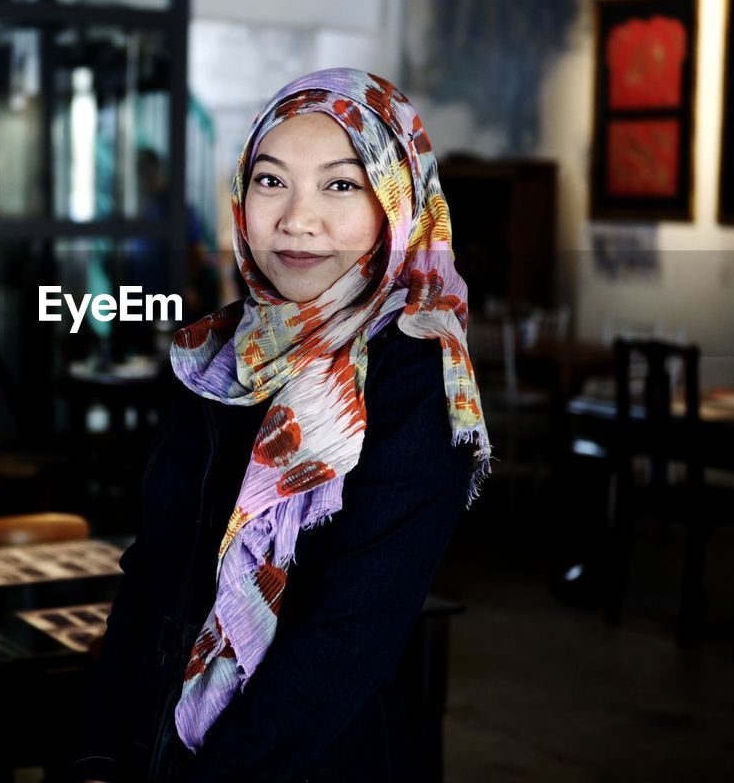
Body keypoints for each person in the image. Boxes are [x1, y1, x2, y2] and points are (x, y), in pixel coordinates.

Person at [72, 68, 492, 783]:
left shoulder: (414, 376)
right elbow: (151, 574)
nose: (298, 218)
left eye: (340, 185)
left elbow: (346, 641)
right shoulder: (221, 354)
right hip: (156, 747)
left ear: (398, 203)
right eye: (270, 181)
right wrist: (98, 755)